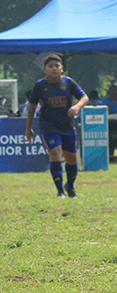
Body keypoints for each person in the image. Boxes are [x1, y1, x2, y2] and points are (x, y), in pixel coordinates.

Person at [25, 54, 88, 198]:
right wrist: (28, 128)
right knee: (55, 153)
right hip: (49, 125)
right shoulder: (40, 85)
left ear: (62, 68)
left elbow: (84, 97)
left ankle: (70, 187)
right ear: (44, 69)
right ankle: (60, 190)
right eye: (50, 66)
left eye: (57, 66)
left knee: (72, 159)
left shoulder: (69, 82)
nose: (54, 68)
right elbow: (32, 106)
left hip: (66, 125)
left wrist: (77, 107)